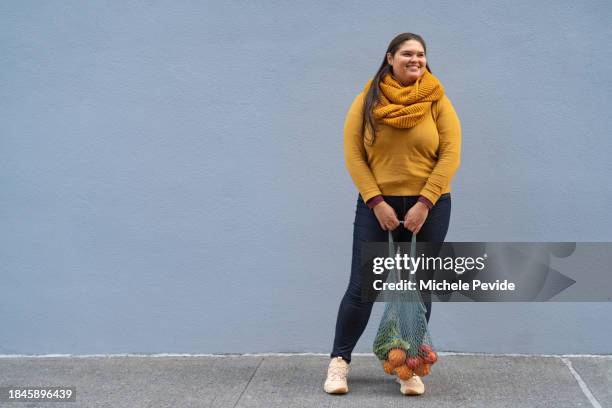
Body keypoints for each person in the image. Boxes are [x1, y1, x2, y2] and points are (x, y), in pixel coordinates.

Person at [324, 32, 461, 396]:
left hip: (429, 206)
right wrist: (376, 202)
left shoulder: (437, 100)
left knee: (416, 289)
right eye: (407, 53)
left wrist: (425, 203)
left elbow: (450, 153)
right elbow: (354, 154)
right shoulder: (367, 100)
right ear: (390, 57)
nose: (415, 59)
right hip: (377, 206)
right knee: (363, 288)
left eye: (420, 54)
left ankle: (407, 366)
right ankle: (339, 364)